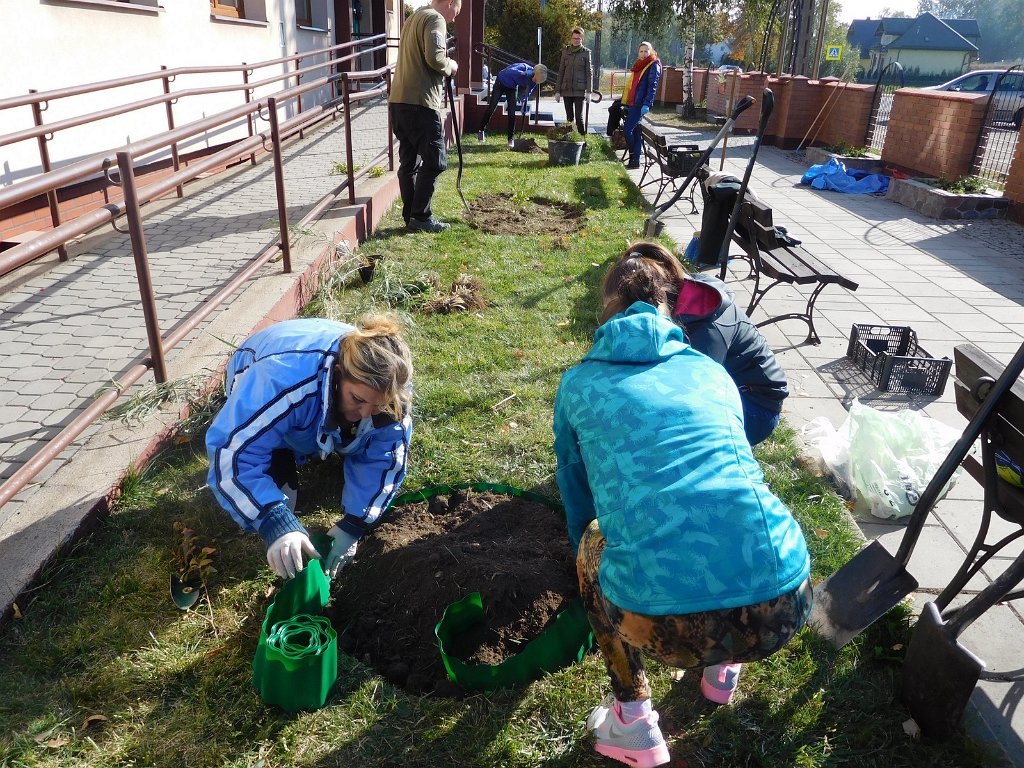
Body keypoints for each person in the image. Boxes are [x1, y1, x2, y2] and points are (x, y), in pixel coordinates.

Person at [553, 255, 811, 768]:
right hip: (782, 603)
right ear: (674, 303)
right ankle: (723, 668)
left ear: (606, 309)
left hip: (660, 620)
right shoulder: (712, 373)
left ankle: (633, 720)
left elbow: (576, 490)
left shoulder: (578, 385)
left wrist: (591, 550)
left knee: (591, 545)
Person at [206, 315, 414, 581]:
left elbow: (385, 454)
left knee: (363, 428)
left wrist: (355, 523)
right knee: (279, 486)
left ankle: (322, 429)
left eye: (377, 406)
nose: (365, 414)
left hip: (313, 368)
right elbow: (231, 453)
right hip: (259, 362)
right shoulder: (280, 379)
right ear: (338, 374)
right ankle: (282, 449)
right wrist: (274, 520)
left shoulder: (392, 385)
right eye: (357, 399)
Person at [607, 242, 788, 445]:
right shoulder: (676, 292)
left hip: (756, 406)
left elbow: (695, 393)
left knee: (663, 435)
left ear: (655, 299)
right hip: (731, 385)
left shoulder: (705, 330)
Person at [388, 0, 462, 234]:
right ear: (450, 3)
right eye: (456, 12)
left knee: (409, 162)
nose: (454, 18)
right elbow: (436, 58)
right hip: (420, 103)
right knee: (435, 160)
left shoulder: (413, 18)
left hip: (399, 101)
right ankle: (421, 216)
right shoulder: (435, 19)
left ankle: (411, 215)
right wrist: (452, 65)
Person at [476, 62, 548, 149]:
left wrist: (523, 103)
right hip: (501, 81)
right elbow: (509, 71)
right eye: (536, 79)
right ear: (534, 73)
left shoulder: (534, 81)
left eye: (537, 81)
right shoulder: (524, 67)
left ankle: (510, 138)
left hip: (512, 87)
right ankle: (481, 130)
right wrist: (523, 73)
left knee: (512, 112)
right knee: (492, 107)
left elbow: (528, 92)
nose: (535, 81)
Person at [621, 42, 661, 170]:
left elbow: (652, 87)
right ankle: (635, 160)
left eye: (646, 51)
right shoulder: (639, 65)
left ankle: (634, 154)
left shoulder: (653, 65)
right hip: (633, 102)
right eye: (641, 51)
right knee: (635, 131)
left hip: (640, 104)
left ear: (651, 51)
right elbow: (633, 85)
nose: (643, 54)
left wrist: (646, 104)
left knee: (627, 130)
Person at [555, 26, 593, 135]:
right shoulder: (565, 52)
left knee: (579, 118)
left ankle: (582, 140)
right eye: (574, 38)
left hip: (579, 90)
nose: (576, 40)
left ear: (582, 39)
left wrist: (589, 92)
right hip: (566, 89)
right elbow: (561, 71)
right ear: (571, 39)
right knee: (569, 118)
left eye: (578, 38)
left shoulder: (586, 53)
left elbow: (589, 73)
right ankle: (570, 141)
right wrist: (557, 91)